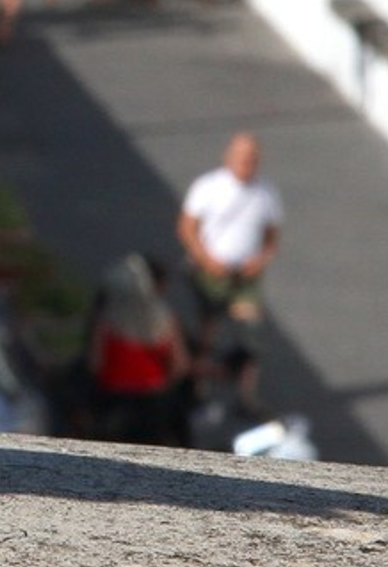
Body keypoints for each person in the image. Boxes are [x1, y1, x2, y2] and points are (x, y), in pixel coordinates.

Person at [177, 132, 282, 350]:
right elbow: (186, 228)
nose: (248, 162)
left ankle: (245, 374)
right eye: (242, 157)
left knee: (251, 328)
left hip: (245, 272)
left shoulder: (267, 192)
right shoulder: (207, 187)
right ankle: (200, 371)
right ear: (228, 157)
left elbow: (271, 236)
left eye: (252, 157)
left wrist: (261, 260)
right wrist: (205, 260)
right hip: (211, 270)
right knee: (209, 325)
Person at [84, 252, 191, 446]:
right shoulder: (165, 319)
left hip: (113, 400)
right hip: (152, 402)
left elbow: (95, 363)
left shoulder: (107, 318)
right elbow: (180, 365)